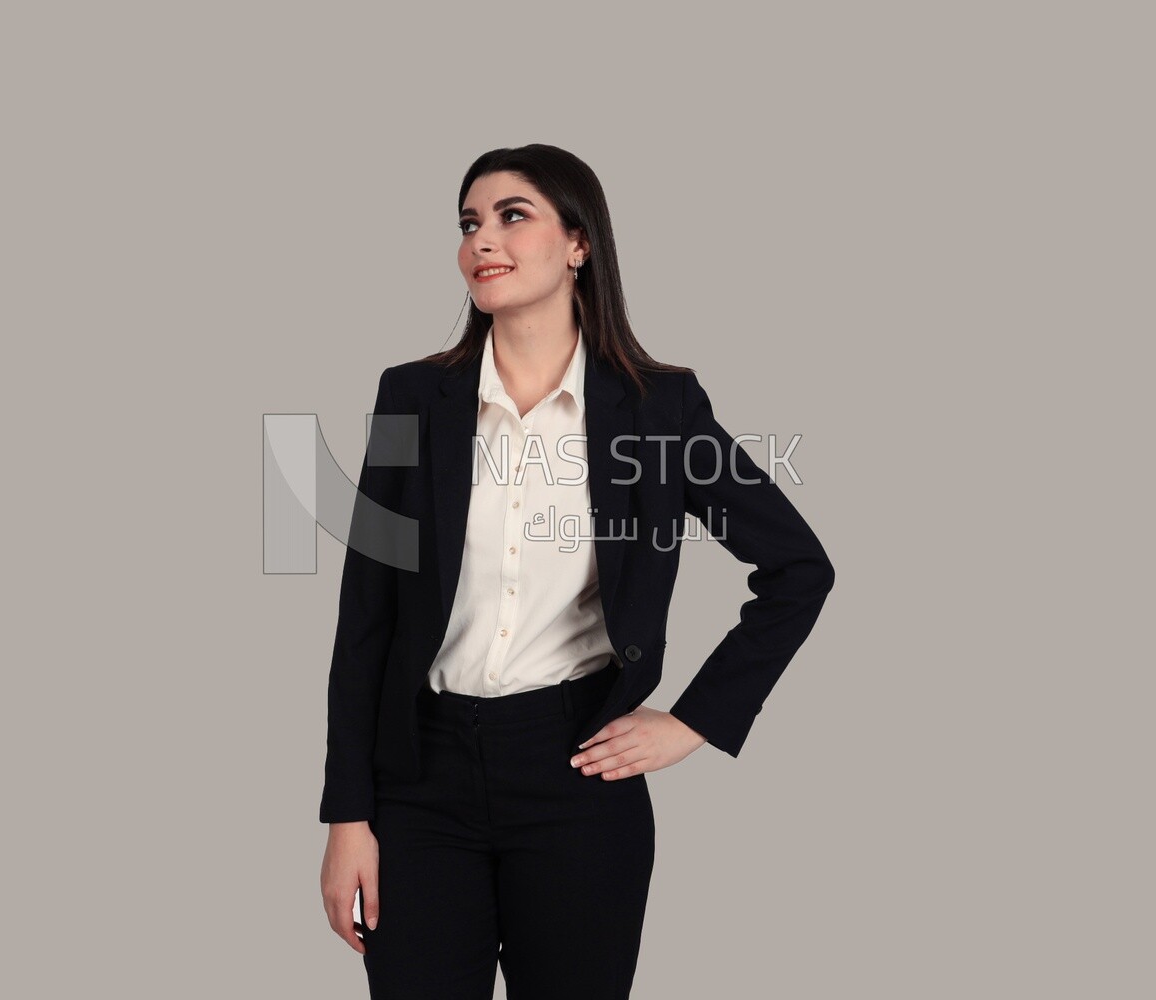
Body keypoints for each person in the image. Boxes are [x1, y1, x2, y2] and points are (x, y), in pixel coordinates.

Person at [318, 144, 836, 999]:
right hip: (419, 784)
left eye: (512, 215)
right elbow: (366, 616)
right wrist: (347, 814)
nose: (482, 239)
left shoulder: (656, 408)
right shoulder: (411, 398)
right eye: (469, 223)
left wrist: (695, 721)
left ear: (578, 245)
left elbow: (796, 568)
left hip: (574, 778)